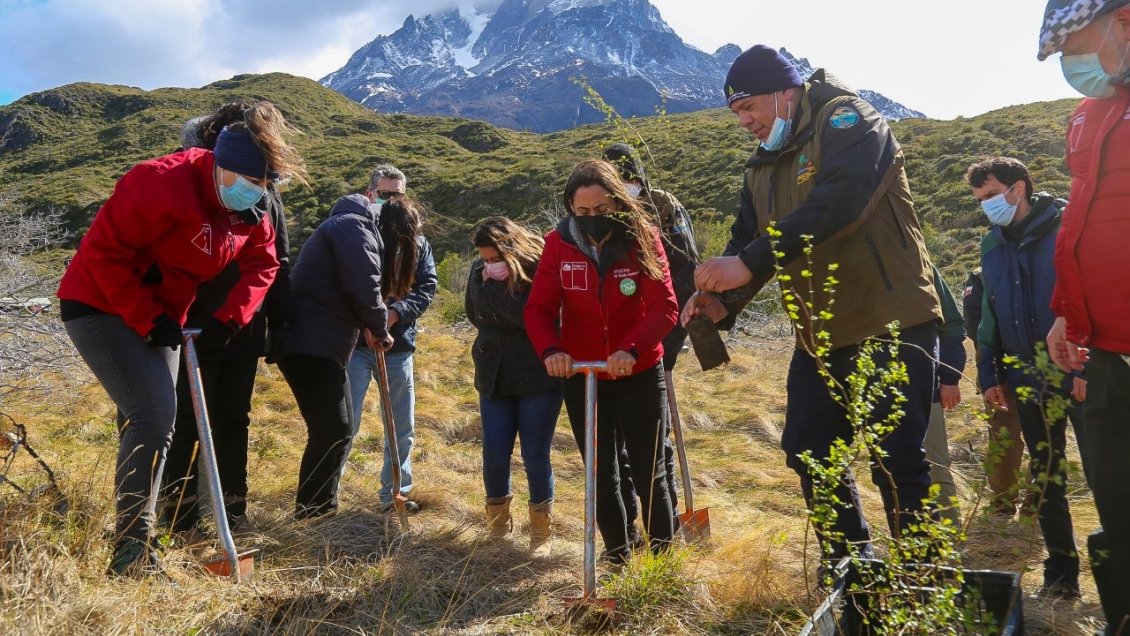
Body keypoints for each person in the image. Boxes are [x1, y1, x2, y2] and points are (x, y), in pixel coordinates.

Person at [685, 45, 942, 561]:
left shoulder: (848, 120)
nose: (745, 122)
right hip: (819, 336)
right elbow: (744, 240)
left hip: (888, 323)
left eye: (749, 107)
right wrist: (723, 300)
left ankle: (925, 583)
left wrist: (751, 261)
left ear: (786, 91)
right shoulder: (760, 167)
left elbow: (842, 199)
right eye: (736, 113)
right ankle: (853, 574)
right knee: (808, 450)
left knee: (897, 462)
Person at [56, 101, 305, 576]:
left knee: (159, 419)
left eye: (266, 186)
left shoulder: (247, 206)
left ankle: (142, 537)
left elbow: (265, 263)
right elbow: (106, 255)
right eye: (253, 182)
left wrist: (232, 317)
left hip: (165, 314)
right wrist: (149, 319)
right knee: (152, 415)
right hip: (99, 304)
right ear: (221, 166)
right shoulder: (158, 181)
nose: (258, 193)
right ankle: (131, 552)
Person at [525, 159, 678, 564]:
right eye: (583, 212)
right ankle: (617, 555)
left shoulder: (642, 238)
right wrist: (551, 350)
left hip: (638, 371)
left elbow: (664, 307)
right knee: (600, 469)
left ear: (617, 205)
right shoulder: (558, 244)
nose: (593, 218)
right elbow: (539, 308)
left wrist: (631, 349)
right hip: (584, 374)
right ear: (570, 209)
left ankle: (663, 563)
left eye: (602, 210)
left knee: (649, 469)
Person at [159, 104, 292, 540]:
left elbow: (277, 264)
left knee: (233, 419)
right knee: (183, 422)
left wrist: (276, 328)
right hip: (186, 327)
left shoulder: (263, 192)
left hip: (239, 327)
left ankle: (232, 512)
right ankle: (177, 517)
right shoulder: (183, 182)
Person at [1039, 1, 1130, 627]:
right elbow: (1080, 222)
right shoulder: (1089, 112)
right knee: (1120, 513)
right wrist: (1065, 314)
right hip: (1105, 357)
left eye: (1076, 40)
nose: (1069, 60)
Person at [965, 156, 1087, 599]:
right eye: (980, 200)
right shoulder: (990, 246)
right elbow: (989, 318)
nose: (987, 206)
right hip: (1027, 376)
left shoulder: (1068, 224)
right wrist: (988, 373)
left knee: (1106, 470)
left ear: (1020, 189)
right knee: (1048, 474)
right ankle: (1061, 576)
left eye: (993, 195)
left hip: (1081, 367)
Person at [278, 192, 421, 519]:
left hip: (316, 342)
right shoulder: (356, 228)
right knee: (333, 428)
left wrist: (369, 324)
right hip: (313, 343)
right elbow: (363, 285)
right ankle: (315, 512)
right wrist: (379, 327)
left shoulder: (348, 225)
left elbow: (349, 287)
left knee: (334, 428)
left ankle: (316, 510)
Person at [602, 142, 699, 542]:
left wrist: (669, 341)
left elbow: (685, 268)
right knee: (616, 444)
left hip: (656, 336)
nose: (626, 186)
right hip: (610, 346)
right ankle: (628, 533)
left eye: (630, 178)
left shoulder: (662, 204)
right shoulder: (597, 207)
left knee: (656, 442)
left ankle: (667, 524)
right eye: (617, 179)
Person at [465, 217, 563, 550]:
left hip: (537, 375)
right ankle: (497, 531)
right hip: (493, 376)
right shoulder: (479, 273)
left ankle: (540, 534)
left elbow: (533, 318)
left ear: (511, 249)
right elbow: (473, 314)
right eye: (484, 259)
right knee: (494, 453)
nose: (489, 265)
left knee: (535, 454)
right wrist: (489, 287)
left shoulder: (538, 270)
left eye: (495, 259)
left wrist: (494, 293)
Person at [344, 165, 437, 514]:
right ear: (371, 195)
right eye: (385, 195)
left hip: (397, 348)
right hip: (354, 346)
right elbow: (345, 286)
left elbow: (427, 287)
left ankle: (394, 495)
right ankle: (326, 495)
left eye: (398, 195)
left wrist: (394, 314)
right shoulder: (356, 234)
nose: (391, 201)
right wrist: (366, 321)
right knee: (345, 423)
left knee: (401, 427)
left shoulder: (418, 243)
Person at [961, 268, 1026, 516]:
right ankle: (1018, 502)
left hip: (1008, 367)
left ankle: (1016, 502)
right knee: (1013, 437)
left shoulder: (982, 275)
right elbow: (973, 324)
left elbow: (972, 325)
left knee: (1010, 437)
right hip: (1001, 369)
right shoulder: (980, 277)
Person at [925, 266, 965, 527]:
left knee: (935, 464)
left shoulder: (921, 261)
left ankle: (950, 545)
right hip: (876, 390)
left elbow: (951, 325)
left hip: (926, 390)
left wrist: (949, 378)